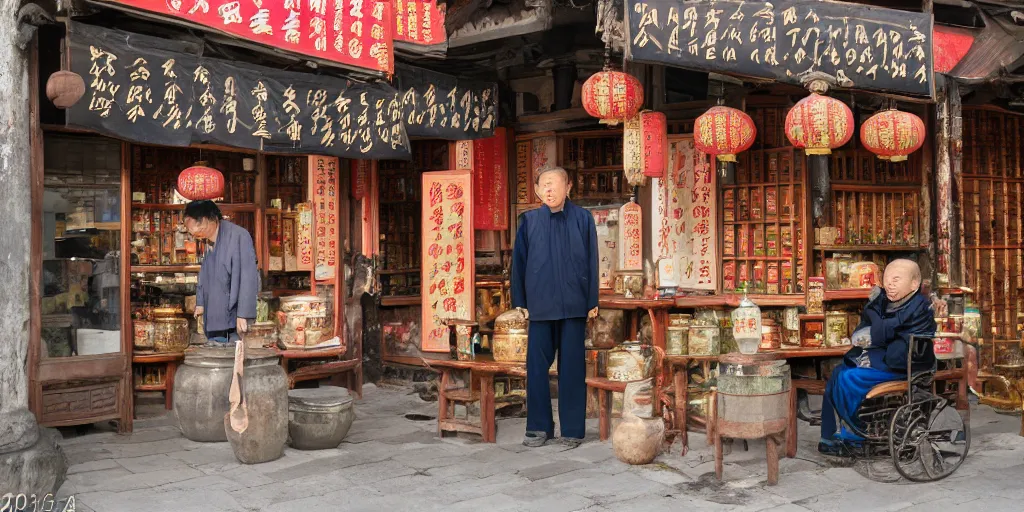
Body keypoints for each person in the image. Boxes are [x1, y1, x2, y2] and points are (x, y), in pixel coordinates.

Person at [511, 167, 599, 449]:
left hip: (574, 305)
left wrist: (592, 300)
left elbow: (593, 261)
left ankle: (572, 430)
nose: (549, 190)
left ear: (568, 187)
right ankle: (538, 428)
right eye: (544, 185)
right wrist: (520, 301)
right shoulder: (529, 221)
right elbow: (519, 263)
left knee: (572, 369)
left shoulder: (583, 219)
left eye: (555, 184)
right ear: (537, 191)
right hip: (539, 305)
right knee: (536, 367)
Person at [818, 259, 937, 456]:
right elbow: (869, 326)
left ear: (914, 284)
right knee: (837, 373)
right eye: (887, 279)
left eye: (896, 279)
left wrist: (876, 325)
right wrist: (875, 324)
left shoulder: (920, 307)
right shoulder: (886, 303)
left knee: (850, 378)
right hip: (883, 359)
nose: (889, 284)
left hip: (904, 365)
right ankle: (829, 435)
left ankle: (855, 437)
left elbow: (884, 330)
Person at [184, 200, 259, 346]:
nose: (194, 232)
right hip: (213, 314)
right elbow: (205, 273)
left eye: (197, 226)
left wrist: (243, 313)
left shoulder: (239, 236)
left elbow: (248, 277)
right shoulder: (208, 240)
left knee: (232, 359)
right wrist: (200, 303)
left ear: (210, 219)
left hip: (233, 316)